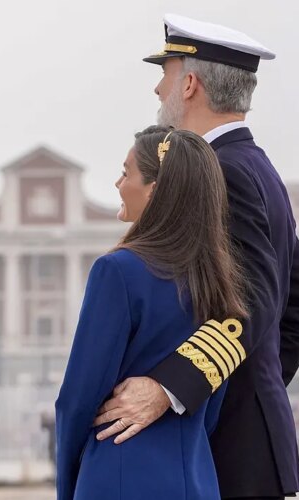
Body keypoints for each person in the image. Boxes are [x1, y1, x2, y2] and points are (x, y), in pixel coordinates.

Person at [91, 14, 299, 499]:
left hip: (229, 450)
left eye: (166, 74)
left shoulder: (221, 172)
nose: (158, 90)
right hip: (251, 443)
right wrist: (257, 387)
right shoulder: (259, 168)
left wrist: (173, 388)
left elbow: (255, 300)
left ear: (191, 83)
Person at [55, 127, 250, 500]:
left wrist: (69, 483)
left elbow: (78, 398)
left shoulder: (118, 271)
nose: (118, 182)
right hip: (196, 476)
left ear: (155, 190)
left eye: (127, 173)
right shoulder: (218, 280)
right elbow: (211, 400)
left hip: (116, 475)